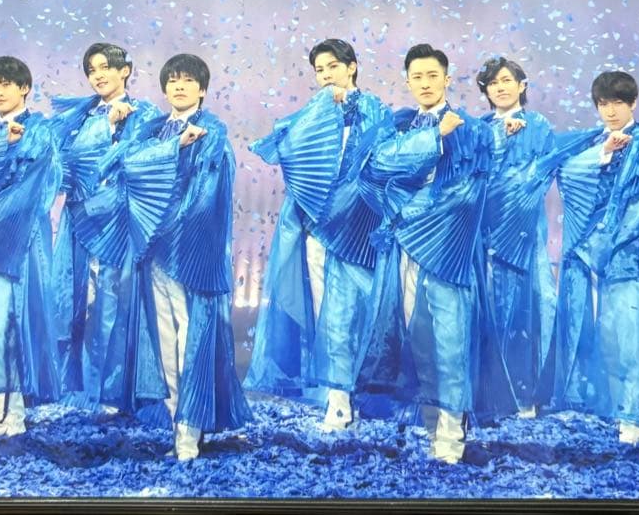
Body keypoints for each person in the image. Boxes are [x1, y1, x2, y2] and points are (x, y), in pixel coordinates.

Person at [359, 44, 512, 464]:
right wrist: (433, 137)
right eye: (417, 77)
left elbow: (470, 193)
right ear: (407, 81)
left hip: (449, 250)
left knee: (451, 339)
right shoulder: (399, 127)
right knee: (419, 338)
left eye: (432, 75)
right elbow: (377, 168)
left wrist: (411, 211)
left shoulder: (474, 131)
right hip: (405, 248)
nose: (425, 84)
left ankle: (451, 435)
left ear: (447, 78)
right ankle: (432, 429)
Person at [245, 39, 394, 431]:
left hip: (358, 231)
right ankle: (337, 401)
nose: (326, 75)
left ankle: (362, 396)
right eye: (320, 70)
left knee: (359, 312)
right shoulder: (314, 111)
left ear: (352, 66)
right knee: (326, 313)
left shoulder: (374, 109)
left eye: (333, 67)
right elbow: (287, 147)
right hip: (318, 228)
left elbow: (378, 164)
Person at [119, 53, 251, 460]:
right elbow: (128, 164)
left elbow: (209, 195)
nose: (179, 86)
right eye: (172, 80)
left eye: (188, 80)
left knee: (192, 338)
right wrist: (173, 147)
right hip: (152, 250)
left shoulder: (213, 132)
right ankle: (177, 419)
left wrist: (177, 227)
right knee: (163, 340)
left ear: (203, 89)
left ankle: (189, 431)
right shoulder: (154, 130)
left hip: (190, 253)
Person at [544, 70, 639, 444]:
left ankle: (636, 417)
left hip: (630, 254)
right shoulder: (595, 142)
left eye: (618, 102)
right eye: (603, 104)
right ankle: (615, 409)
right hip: (594, 257)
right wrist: (603, 153)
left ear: (633, 103)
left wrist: (607, 241)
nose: (610, 111)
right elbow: (566, 174)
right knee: (606, 336)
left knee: (632, 335)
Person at [48, 43, 165, 411]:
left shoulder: (145, 114)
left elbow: (143, 162)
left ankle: (112, 391)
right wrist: (105, 125)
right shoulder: (81, 118)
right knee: (74, 302)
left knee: (112, 304)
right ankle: (77, 388)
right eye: (91, 70)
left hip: (116, 223)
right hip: (79, 220)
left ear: (124, 70)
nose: (97, 75)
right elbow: (66, 162)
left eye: (104, 67)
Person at [0, 56, 62, 440]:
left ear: (25, 88)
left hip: (11, 246)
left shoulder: (39, 130)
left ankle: (6, 417)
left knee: (6, 328)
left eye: (5, 84)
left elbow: (36, 187)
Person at [474, 57, 560, 418]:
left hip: (524, 233)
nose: (500, 88)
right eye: (493, 83)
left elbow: (542, 175)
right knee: (490, 308)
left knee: (532, 307)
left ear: (522, 85)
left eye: (507, 80)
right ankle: (491, 394)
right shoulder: (479, 129)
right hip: (485, 232)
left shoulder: (538, 126)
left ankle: (527, 395)